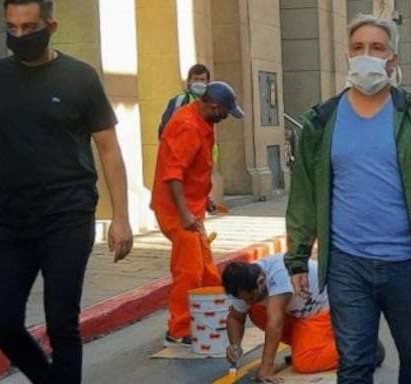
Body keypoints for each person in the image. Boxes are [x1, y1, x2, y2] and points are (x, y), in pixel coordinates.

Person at [0, 0, 133, 384]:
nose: (19, 36)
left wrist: (121, 217)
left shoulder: (79, 77)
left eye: (29, 27)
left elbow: (108, 149)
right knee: (1, 321)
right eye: (12, 28)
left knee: (62, 322)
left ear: (51, 26)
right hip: (12, 217)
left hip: (68, 214)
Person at [285, 14, 411, 384]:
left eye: (376, 48)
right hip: (347, 264)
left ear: (393, 59)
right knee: (354, 363)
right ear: (347, 55)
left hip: (407, 262)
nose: (366, 55)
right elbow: (303, 194)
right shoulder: (322, 121)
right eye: (358, 48)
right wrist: (298, 257)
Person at [151, 81, 244, 345]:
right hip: (178, 211)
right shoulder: (187, 126)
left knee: (205, 269)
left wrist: (205, 202)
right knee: (189, 270)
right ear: (214, 106)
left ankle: (209, 318)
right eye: (226, 111)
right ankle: (178, 329)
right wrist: (184, 214)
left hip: (191, 208)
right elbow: (173, 176)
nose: (226, 117)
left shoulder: (203, 123)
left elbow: (195, 171)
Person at [223, 254, 359, 382]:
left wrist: (266, 368)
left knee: (304, 361)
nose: (248, 301)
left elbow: (275, 323)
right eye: (244, 299)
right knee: (255, 311)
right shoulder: (243, 284)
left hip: (327, 309)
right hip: (297, 313)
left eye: (251, 297)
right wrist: (235, 345)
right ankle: (306, 345)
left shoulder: (280, 273)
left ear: (261, 281)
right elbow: (236, 318)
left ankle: (359, 347)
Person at [158, 64, 211, 137]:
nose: (199, 83)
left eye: (202, 80)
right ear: (189, 81)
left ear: (208, 82)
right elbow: (166, 126)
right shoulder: (180, 100)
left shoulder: (210, 103)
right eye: (196, 79)